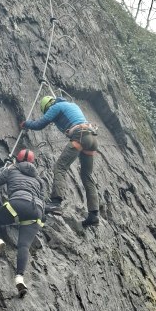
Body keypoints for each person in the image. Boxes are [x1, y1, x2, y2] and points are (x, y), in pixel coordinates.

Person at [21, 95, 100, 226]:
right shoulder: (71, 105)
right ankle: (93, 215)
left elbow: (40, 124)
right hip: (92, 138)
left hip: (80, 136)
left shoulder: (55, 107)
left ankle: (55, 203)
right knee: (87, 176)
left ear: (48, 106)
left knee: (60, 167)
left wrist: (26, 124)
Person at [0, 148, 45, 297]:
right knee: (24, 246)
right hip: (36, 210)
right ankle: (19, 277)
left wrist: (4, 167)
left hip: (18, 203)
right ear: (33, 163)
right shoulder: (38, 179)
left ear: (17, 160)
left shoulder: (12, 169)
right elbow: (43, 198)